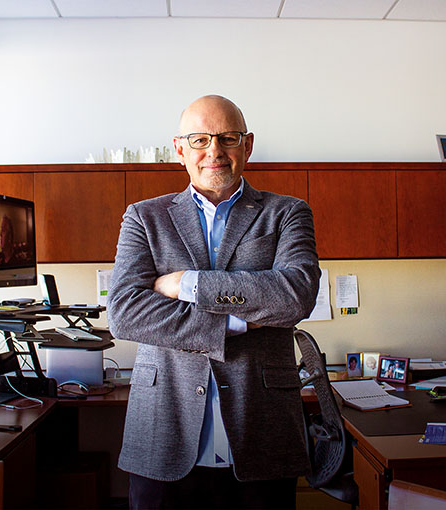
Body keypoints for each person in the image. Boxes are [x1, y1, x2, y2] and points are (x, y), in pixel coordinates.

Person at [108, 95, 321, 510]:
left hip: (262, 435)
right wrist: (233, 323)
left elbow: (295, 295)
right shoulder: (144, 218)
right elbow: (125, 313)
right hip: (163, 435)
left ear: (248, 145)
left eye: (227, 138)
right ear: (179, 148)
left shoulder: (287, 213)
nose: (214, 151)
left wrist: (185, 283)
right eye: (200, 139)